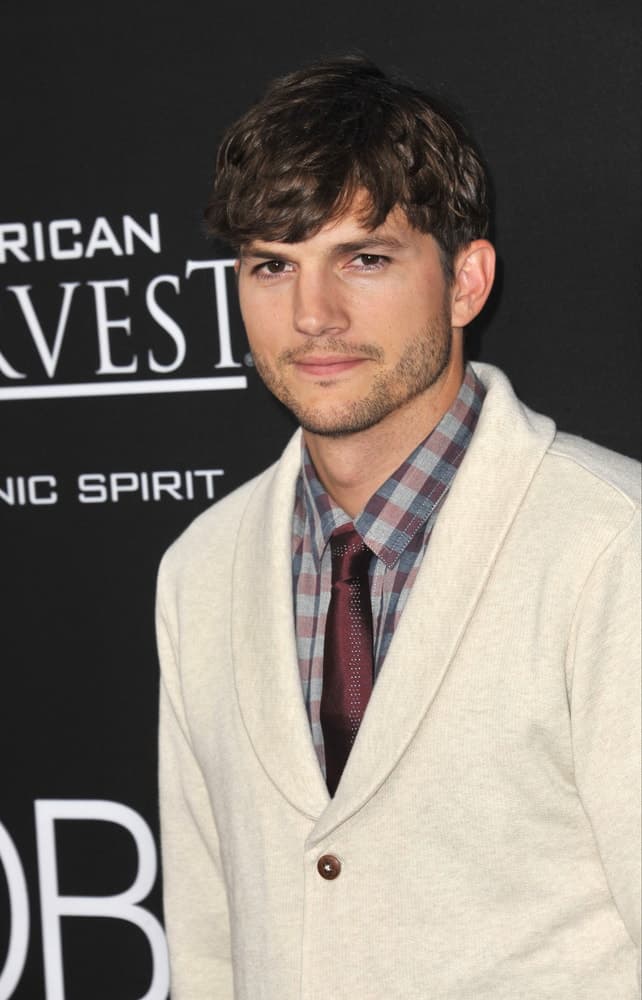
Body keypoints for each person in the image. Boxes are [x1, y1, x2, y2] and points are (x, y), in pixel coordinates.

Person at [156, 56, 640, 999]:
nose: (312, 315)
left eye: (364, 259)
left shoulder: (610, 549)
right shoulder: (199, 570)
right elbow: (210, 951)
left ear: (466, 281)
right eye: (271, 266)